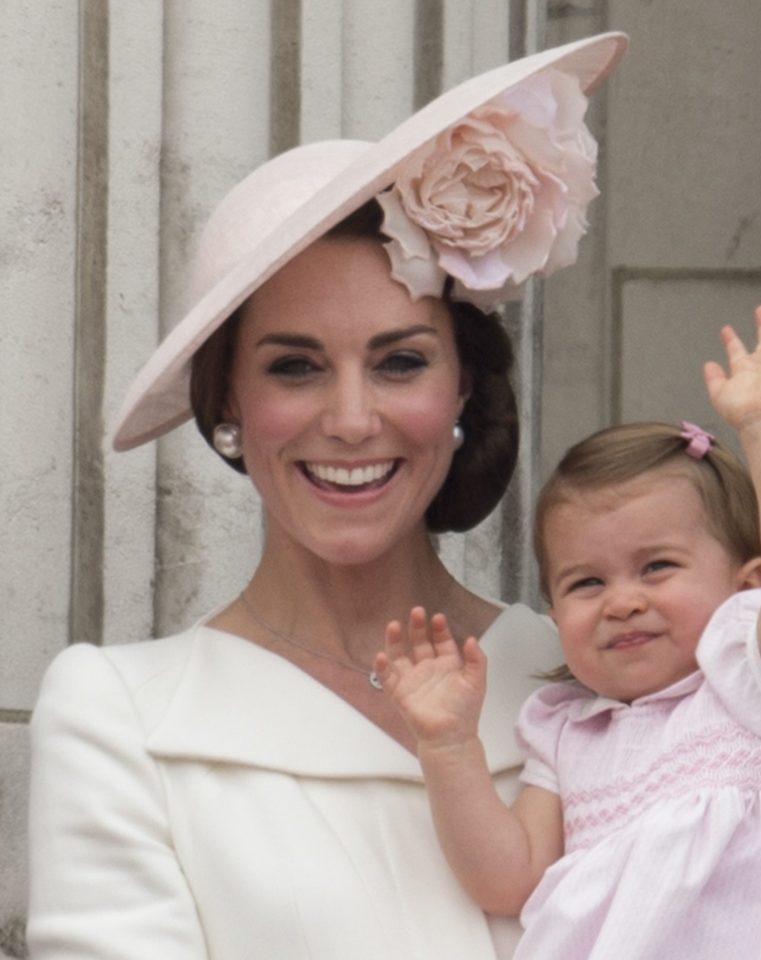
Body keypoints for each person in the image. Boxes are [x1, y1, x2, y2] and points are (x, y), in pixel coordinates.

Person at [26, 32, 629, 960]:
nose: (351, 421)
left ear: (463, 387)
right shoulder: (121, 719)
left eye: (398, 362)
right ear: (227, 399)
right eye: (296, 367)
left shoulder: (583, 678)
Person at [376, 299, 761, 958]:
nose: (621, 602)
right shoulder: (565, 733)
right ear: (553, 615)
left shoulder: (757, 683)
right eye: (587, 583)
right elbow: (506, 880)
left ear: (748, 586)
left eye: (656, 567)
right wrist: (446, 747)